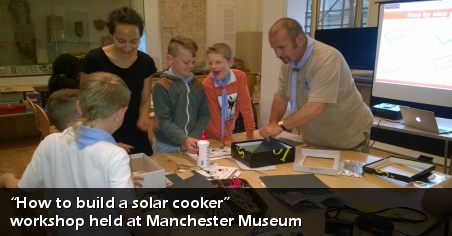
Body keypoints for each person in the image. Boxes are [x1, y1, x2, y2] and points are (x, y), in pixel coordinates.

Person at [0, 72, 165, 236]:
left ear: (78, 107)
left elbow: (21, 190)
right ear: (122, 112)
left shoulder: (49, 142)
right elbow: (130, 216)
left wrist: (7, 178)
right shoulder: (115, 154)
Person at [259, 17, 373, 153]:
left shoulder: (326, 60)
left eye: (282, 47)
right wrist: (273, 124)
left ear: (299, 40)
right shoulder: (289, 61)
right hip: (314, 139)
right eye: (274, 49)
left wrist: (281, 126)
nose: (278, 54)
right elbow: (281, 96)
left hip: (347, 139)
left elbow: (316, 106)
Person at [81, 7, 156, 155]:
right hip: (103, 132)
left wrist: (143, 118)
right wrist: (108, 141)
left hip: (135, 131)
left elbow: (145, 98)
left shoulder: (145, 62)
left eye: (134, 41)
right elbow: (85, 103)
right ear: (111, 35)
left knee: (143, 174)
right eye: (121, 41)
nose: (128, 48)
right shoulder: (94, 59)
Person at [152, 36, 210, 154]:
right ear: (170, 59)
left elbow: (204, 114)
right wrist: (184, 139)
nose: (191, 66)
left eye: (193, 62)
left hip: (191, 143)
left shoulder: (198, 85)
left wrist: (192, 138)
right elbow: (164, 121)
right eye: (186, 62)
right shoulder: (161, 86)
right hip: (166, 146)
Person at [202, 43, 255, 147]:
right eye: (210, 63)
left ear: (230, 62)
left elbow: (246, 106)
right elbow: (214, 116)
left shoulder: (240, 77)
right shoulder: (208, 84)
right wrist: (225, 137)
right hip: (210, 135)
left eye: (218, 62)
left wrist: (250, 132)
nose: (213, 66)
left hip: (229, 132)